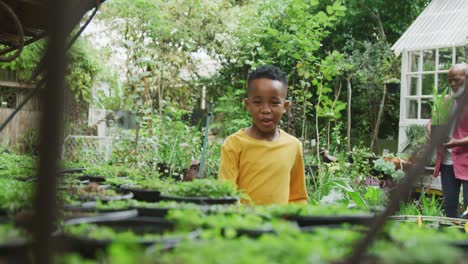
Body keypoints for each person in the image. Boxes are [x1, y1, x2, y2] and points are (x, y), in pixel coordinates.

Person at [218, 65, 308, 205]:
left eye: (274, 103)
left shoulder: (293, 146)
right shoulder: (234, 144)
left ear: (285, 106)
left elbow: (298, 198)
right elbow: (226, 197)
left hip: (281, 226)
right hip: (244, 224)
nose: (265, 110)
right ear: (247, 104)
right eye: (258, 102)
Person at [426, 63, 468, 218]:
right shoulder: (446, 101)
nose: (452, 84)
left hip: (466, 161)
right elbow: (431, 121)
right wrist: (430, 129)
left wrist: (455, 142)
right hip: (447, 162)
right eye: (450, 80)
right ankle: (450, 238)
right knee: (449, 206)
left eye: (456, 80)